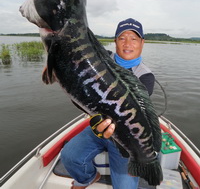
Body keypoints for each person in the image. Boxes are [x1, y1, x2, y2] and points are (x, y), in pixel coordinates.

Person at [61, 18, 155, 189]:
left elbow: (133, 112)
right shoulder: (99, 58)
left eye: (133, 38)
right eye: (122, 38)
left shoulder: (145, 76)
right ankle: (87, 177)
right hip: (97, 127)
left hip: (127, 137)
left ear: (142, 42)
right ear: (115, 41)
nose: (127, 43)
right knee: (69, 156)